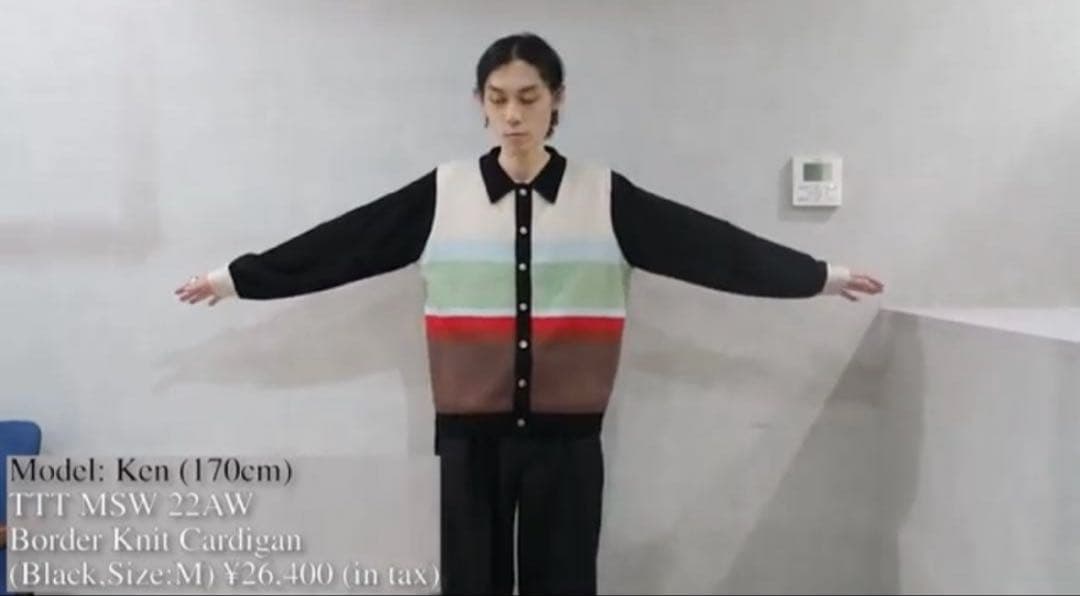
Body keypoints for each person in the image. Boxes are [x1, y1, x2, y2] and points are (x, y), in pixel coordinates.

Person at [175, 32, 884, 595]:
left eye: (528, 97)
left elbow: (711, 248)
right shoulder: (443, 195)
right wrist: (237, 279)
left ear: (557, 100)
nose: (512, 114)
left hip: (567, 445)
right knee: (470, 583)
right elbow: (342, 245)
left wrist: (817, 276)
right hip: (467, 443)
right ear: (479, 104)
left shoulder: (604, 196)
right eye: (498, 98)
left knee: (563, 583)